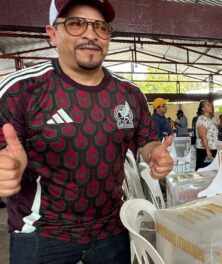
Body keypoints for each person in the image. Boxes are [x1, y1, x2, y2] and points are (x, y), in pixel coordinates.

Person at [0, 1, 174, 263]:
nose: (90, 34)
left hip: (112, 233)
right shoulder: (20, 89)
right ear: (52, 33)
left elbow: (146, 140)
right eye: (76, 23)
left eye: (100, 27)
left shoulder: (130, 94)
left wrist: (154, 155)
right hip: (41, 235)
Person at [195, 100, 218, 170]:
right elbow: (202, 136)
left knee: (210, 171)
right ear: (203, 108)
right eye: (208, 105)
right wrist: (207, 150)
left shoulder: (209, 119)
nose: (211, 106)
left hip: (212, 148)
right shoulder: (202, 120)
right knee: (203, 171)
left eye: (211, 105)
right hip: (205, 150)